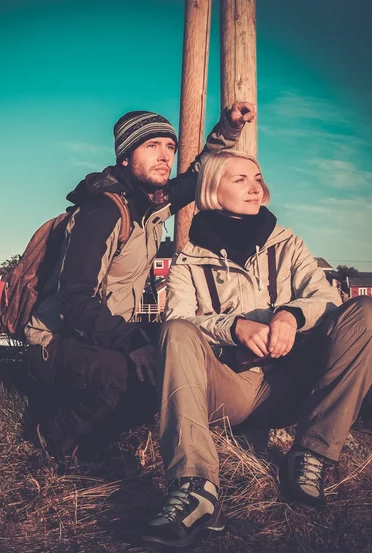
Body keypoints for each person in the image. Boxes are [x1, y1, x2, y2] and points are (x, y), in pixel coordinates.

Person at [143, 149, 372, 549]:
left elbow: (326, 297)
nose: (254, 186)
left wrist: (291, 316)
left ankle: (311, 454)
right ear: (211, 189)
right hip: (232, 391)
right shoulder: (187, 261)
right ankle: (196, 489)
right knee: (174, 330)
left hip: (295, 384)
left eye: (257, 177)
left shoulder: (288, 244)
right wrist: (233, 329)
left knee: (370, 312)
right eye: (240, 179)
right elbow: (183, 320)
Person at [24, 104, 256, 467]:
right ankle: (51, 437)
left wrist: (227, 129)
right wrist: (134, 345)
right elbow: (75, 300)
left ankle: (96, 441)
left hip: (106, 330)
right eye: (152, 146)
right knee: (121, 374)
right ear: (127, 156)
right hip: (55, 340)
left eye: (169, 147)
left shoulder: (151, 203)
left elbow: (198, 175)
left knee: (171, 361)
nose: (165, 156)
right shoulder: (103, 212)